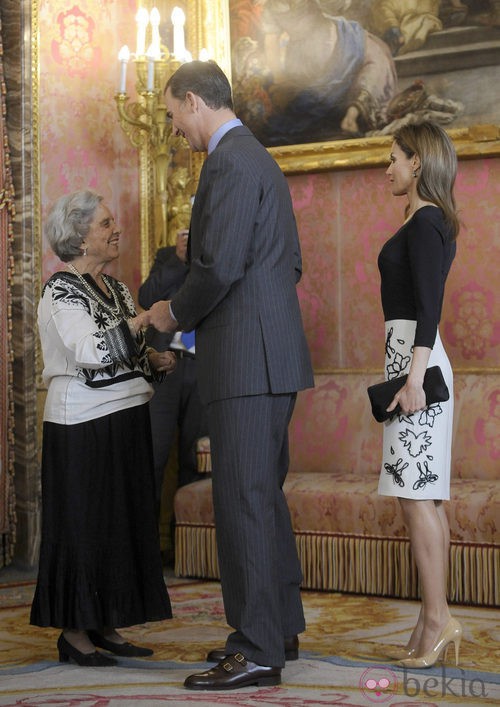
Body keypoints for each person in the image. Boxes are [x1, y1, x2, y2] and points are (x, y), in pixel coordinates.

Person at [147, 60, 314, 690]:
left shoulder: (228, 161)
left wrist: (171, 313)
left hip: (246, 361)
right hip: (268, 356)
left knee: (242, 502)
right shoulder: (258, 160)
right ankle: (277, 629)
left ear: (194, 101)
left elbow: (217, 269)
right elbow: (288, 265)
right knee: (261, 497)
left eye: (173, 115)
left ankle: (257, 650)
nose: (174, 128)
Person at [30, 189, 175, 666]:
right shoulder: (60, 290)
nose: (117, 230)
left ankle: (106, 623)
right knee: (85, 527)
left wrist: (152, 360)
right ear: (79, 238)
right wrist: (143, 322)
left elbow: (124, 356)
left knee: (119, 527)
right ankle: (74, 634)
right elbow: (90, 351)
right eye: (106, 224)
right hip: (82, 425)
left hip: (126, 418)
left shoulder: (117, 289)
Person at [377, 122, 462, 668]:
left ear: (417, 162)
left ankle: (438, 619)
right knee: (421, 496)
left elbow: (429, 309)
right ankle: (432, 617)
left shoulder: (426, 221)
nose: (387, 168)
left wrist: (413, 377)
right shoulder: (419, 220)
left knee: (416, 497)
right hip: (409, 360)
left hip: (418, 367)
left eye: (394, 158)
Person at [138, 229, 208, 516]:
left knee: (195, 459)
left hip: (203, 367)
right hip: (165, 367)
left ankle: (186, 539)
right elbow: (146, 296)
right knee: (152, 456)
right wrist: (179, 260)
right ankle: (148, 540)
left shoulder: (216, 260)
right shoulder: (167, 256)